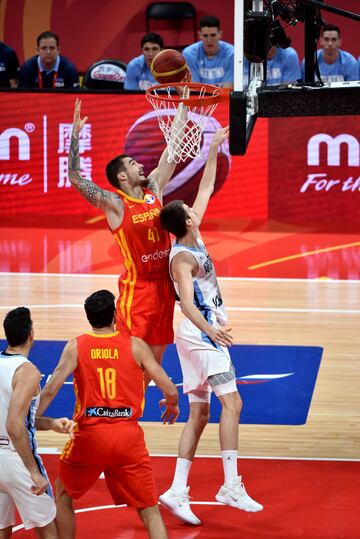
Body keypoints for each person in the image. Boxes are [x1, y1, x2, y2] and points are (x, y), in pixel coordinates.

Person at [158, 126, 263, 526]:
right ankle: (230, 485)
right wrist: (212, 330)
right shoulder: (183, 256)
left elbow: (205, 186)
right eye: (189, 209)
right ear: (185, 220)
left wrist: (213, 148)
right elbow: (185, 302)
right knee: (232, 403)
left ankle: (177, 490)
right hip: (200, 332)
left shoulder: (192, 232)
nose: (195, 209)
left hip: (195, 334)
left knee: (199, 414)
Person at [37, 289, 179, 539]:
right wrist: (172, 404)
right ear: (115, 315)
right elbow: (169, 388)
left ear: (89, 318)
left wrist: (31, 418)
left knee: (62, 494)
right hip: (127, 436)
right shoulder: (135, 345)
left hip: (90, 435)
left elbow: (50, 390)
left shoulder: (76, 346)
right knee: (149, 508)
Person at [68, 97, 187, 374]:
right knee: (128, 358)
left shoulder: (154, 190)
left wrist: (183, 103)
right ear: (122, 176)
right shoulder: (116, 204)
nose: (141, 167)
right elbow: (75, 178)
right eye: (134, 164)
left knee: (154, 363)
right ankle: (112, 406)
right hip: (139, 290)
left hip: (165, 289)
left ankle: (134, 411)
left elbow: (172, 151)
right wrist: (75, 138)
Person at [0, 307, 74, 538]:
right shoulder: (28, 371)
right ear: (32, 334)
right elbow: (14, 423)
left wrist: (50, 423)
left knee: (2, 528)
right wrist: (33, 470)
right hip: (16, 459)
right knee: (49, 531)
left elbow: (14, 416)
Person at [182, 15, 234, 88]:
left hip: (224, 97)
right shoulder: (189, 54)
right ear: (200, 35)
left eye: (213, 35)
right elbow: (194, 87)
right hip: (199, 98)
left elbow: (229, 86)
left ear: (220, 34)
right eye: (205, 36)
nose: (209, 40)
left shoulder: (232, 53)